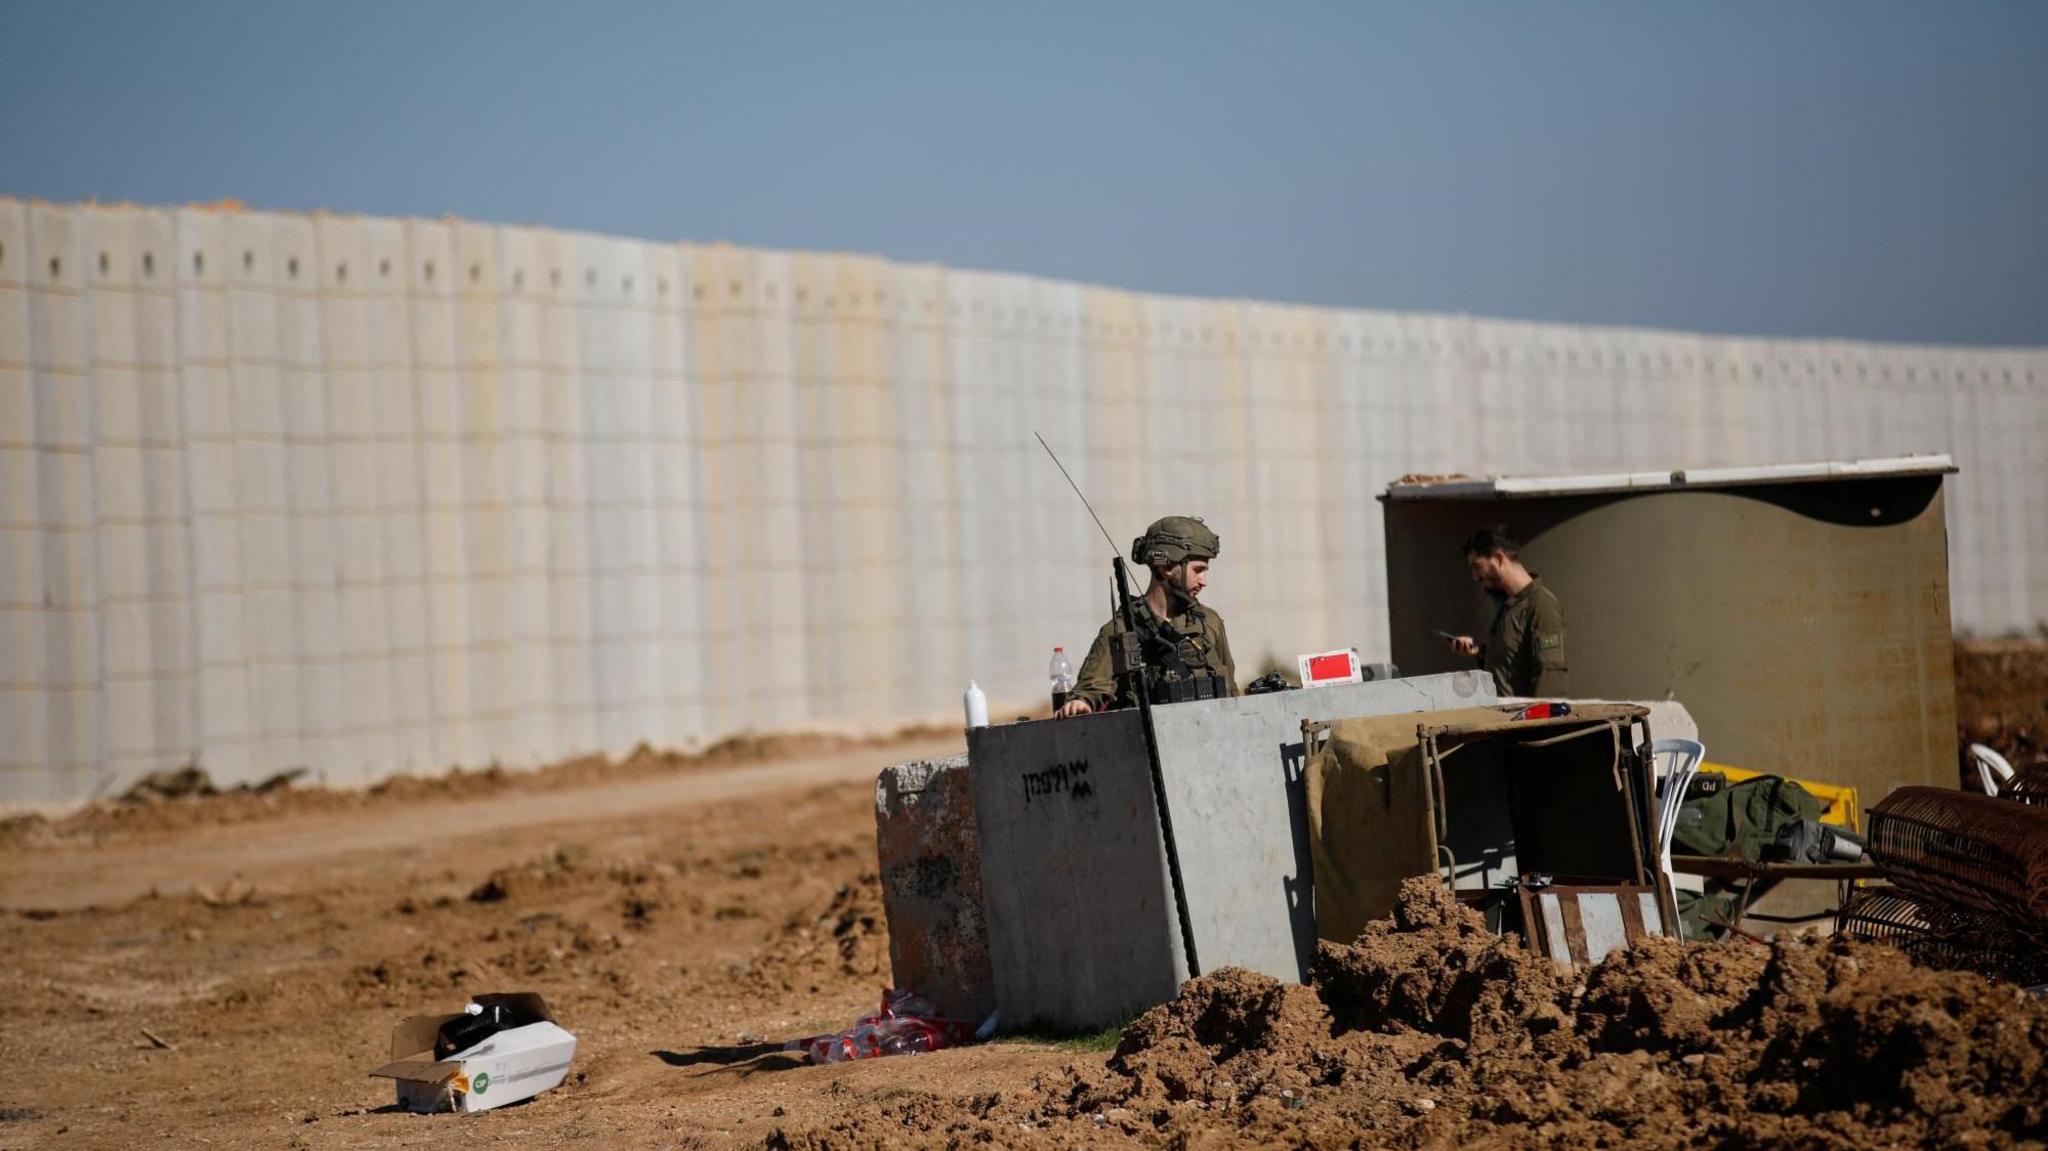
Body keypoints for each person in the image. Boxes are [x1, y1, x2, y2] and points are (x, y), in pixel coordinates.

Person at [1058, 516, 1237, 716]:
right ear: (1167, 567)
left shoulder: (1208, 622)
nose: (1204, 581)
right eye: (1198, 570)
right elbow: (1090, 687)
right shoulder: (1122, 630)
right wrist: (1080, 702)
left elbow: (1232, 696)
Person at [1447, 525, 1569, 698]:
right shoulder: (1508, 606)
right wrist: (1481, 652)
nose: (1475, 577)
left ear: (1498, 559)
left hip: (1526, 721)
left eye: (1477, 566)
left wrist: (1539, 723)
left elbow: (1550, 679)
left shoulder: (1541, 605)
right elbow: (1512, 664)